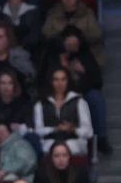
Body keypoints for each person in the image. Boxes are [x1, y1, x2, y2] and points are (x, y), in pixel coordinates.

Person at [43, 25, 109, 154]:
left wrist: (82, 71)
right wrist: (62, 68)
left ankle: (100, 138)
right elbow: (45, 80)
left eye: (75, 44)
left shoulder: (84, 55)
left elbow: (97, 82)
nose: (73, 48)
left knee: (95, 96)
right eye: (70, 44)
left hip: (81, 94)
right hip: (56, 95)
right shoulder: (53, 55)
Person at [43, 0, 105, 68]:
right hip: (60, 54)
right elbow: (46, 33)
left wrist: (78, 40)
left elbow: (96, 34)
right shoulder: (53, 13)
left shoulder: (88, 13)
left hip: (84, 54)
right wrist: (64, 40)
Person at [34, 66, 92, 155]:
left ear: (68, 81)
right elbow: (37, 131)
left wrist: (73, 129)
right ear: (51, 82)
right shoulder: (41, 104)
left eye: (63, 79)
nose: (60, 83)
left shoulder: (79, 101)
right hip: (49, 144)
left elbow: (89, 132)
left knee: (64, 148)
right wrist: (54, 129)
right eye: (56, 80)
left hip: (74, 144)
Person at [0, 70, 36, 156]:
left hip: (19, 142)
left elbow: (31, 129)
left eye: (10, 83)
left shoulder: (24, 106)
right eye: (3, 83)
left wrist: (21, 128)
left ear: (14, 86)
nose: (6, 87)